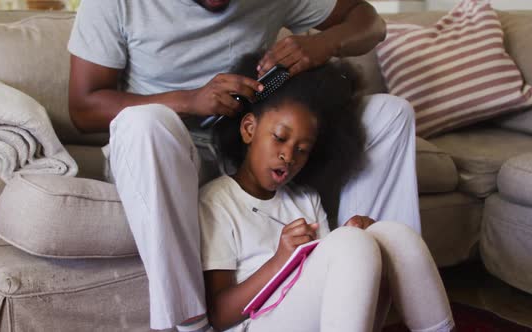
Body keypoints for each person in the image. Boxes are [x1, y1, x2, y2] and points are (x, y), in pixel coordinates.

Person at [67, 0, 420, 330]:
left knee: (391, 114)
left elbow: (370, 22)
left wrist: (324, 44)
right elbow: (83, 108)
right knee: (144, 124)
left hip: (246, 144)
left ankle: (368, 285)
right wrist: (190, 101)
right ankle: (187, 324)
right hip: (164, 153)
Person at [199, 56, 454, 332]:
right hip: (256, 322)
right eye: (280, 138)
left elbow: (329, 266)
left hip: (314, 316)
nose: (288, 155)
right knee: (350, 243)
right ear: (249, 129)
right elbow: (220, 315)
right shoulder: (217, 201)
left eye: (302, 149)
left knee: (391, 234)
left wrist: (356, 233)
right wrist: (280, 261)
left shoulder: (304, 197)